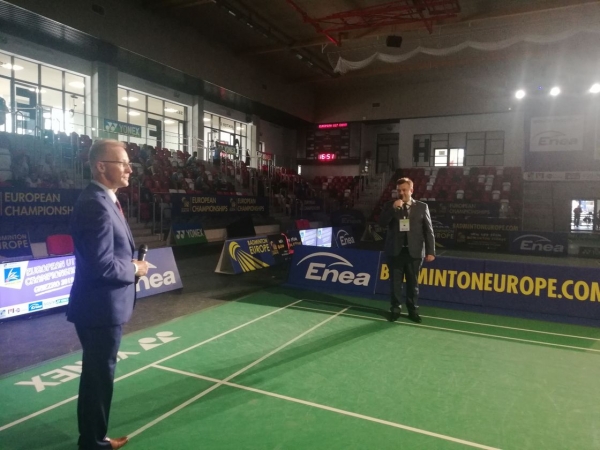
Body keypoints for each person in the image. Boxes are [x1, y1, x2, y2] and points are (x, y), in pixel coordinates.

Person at [67, 139, 149, 450]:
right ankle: (94, 443)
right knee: (98, 379)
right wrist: (135, 268)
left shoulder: (104, 199)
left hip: (100, 307)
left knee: (96, 377)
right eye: (123, 163)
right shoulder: (95, 204)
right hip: (100, 309)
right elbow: (100, 265)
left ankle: (92, 439)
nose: (130, 169)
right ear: (101, 166)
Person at [379, 177, 435, 323]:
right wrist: (393, 208)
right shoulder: (390, 205)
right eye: (399, 190)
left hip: (414, 252)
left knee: (413, 284)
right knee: (395, 283)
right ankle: (395, 309)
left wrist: (431, 251)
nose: (401, 193)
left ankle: (413, 310)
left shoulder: (422, 207)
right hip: (395, 252)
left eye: (404, 190)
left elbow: (428, 231)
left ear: (411, 190)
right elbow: (382, 223)